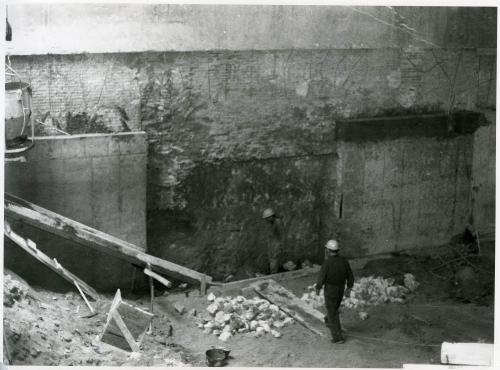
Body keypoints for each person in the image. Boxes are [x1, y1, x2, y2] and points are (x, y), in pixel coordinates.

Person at [315, 239, 354, 344]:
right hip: (341, 288)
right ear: (337, 250)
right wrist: (349, 288)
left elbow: (321, 277)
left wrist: (318, 288)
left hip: (331, 289)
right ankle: (329, 321)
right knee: (334, 306)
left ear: (328, 250)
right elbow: (350, 275)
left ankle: (338, 337)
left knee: (332, 310)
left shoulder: (327, 263)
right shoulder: (344, 261)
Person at [262, 208, 285, 274]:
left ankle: (273, 274)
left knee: (274, 260)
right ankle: (272, 272)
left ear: (271, 216)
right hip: (272, 243)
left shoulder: (278, 222)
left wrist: (281, 245)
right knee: (272, 259)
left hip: (276, 244)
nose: (266, 220)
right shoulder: (271, 223)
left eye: (267, 218)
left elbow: (282, 234)